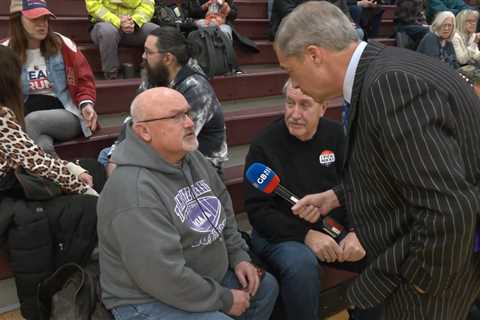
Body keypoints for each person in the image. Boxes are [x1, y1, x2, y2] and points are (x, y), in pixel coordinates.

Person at [274, 2, 480, 319]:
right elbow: (407, 169)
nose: (295, 84)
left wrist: (422, 282)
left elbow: (449, 207)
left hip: (433, 276)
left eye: (291, 71)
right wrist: (338, 195)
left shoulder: (389, 84)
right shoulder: (386, 69)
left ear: (314, 55)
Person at [97, 87, 278, 320]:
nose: (190, 123)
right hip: (147, 298)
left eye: (187, 113)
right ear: (144, 131)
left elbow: (222, 205)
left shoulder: (190, 157)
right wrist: (224, 299)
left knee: (265, 289)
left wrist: (238, 255)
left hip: (201, 276)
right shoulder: (133, 192)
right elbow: (162, 276)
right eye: (176, 117)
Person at [245, 79, 367, 320]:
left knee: (375, 248)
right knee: (301, 264)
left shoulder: (336, 135)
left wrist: (355, 230)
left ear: (322, 108)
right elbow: (258, 213)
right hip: (279, 234)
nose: (295, 113)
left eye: (305, 105)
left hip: (331, 227)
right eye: (290, 103)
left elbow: (355, 186)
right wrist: (305, 235)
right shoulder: (264, 144)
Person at [99, 27, 228, 175]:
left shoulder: (196, 89)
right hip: (161, 148)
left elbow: (177, 143)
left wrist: (126, 160)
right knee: (107, 155)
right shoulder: (153, 77)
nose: (143, 56)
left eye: (148, 52)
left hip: (198, 163)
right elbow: (133, 120)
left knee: (126, 171)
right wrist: (117, 155)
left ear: (167, 58)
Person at [4, 0, 98, 157]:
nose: (42, 24)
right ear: (17, 20)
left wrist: (86, 103)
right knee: (42, 143)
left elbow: (84, 81)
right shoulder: (6, 51)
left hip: (66, 113)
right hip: (25, 115)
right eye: (35, 19)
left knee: (32, 122)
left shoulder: (63, 44)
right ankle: (62, 178)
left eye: (45, 19)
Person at [85, 0, 159, 79]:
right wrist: (118, 22)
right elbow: (93, 6)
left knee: (157, 31)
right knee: (108, 32)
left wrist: (134, 21)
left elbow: (147, 5)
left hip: (132, 25)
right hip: (105, 24)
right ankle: (111, 77)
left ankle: (150, 75)